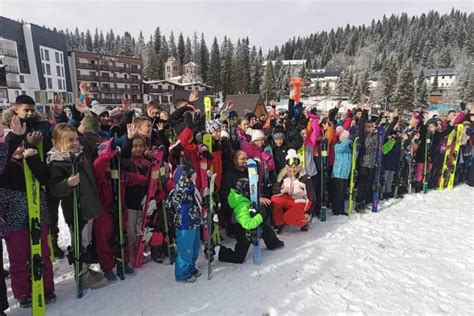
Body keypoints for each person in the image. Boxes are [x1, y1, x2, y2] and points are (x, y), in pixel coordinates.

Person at [1, 116, 56, 307]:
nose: (18, 149)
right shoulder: (4, 167)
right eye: (15, 145)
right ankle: (22, 292)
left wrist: (31, 156)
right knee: (18, 258)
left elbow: (45, 178)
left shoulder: (31, 158)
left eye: (21, 144)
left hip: (37, 214)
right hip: (13, 218)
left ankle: (46, 288)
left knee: (42, 254)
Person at [47, 122, 108, 289]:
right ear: (57, 143)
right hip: (76, 208)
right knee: (79, 240)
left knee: (86, 240)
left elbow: (91, 133)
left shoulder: (80, 154)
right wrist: (67, 183)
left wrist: (87, 112)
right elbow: (54, 188)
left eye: (76, 139)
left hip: (89, 204)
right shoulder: (57, 162)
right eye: (69, 140)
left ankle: (86, 267)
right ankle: (80, 272)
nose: (75, 143)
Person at [218, 177, 284, 264]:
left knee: (265, 228)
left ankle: (273, 243)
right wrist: (260, 216)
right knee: (239, 257)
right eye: (251, 191)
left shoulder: (245, 198)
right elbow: (247, 224)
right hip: (243, 230)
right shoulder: (242, 206)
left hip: (251, 223)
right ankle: (221, 251)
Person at [166, 163, 201, 282]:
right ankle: (182, 274)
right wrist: (188, 184)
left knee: (194, 248)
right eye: (192, 178)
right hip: (184, 225)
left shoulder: (192, 189)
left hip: (194, 223)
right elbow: (180, 197)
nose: (194, 181)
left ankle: (191, 267)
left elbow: (197, 202)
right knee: (186, 250)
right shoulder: (178, 191)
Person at [271, 149, 312, 232]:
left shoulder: (304, 178)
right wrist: (282, 190)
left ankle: (304, 222)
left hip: (302, 202)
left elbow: (311, 197)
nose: (292, 170)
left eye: (295, 167)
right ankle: (279, 223)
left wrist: (308, 212)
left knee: (288, 218)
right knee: (274, 198)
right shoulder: (283, 176)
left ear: (298, 167)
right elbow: (274, 191)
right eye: (290, 167)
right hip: (291, 200)